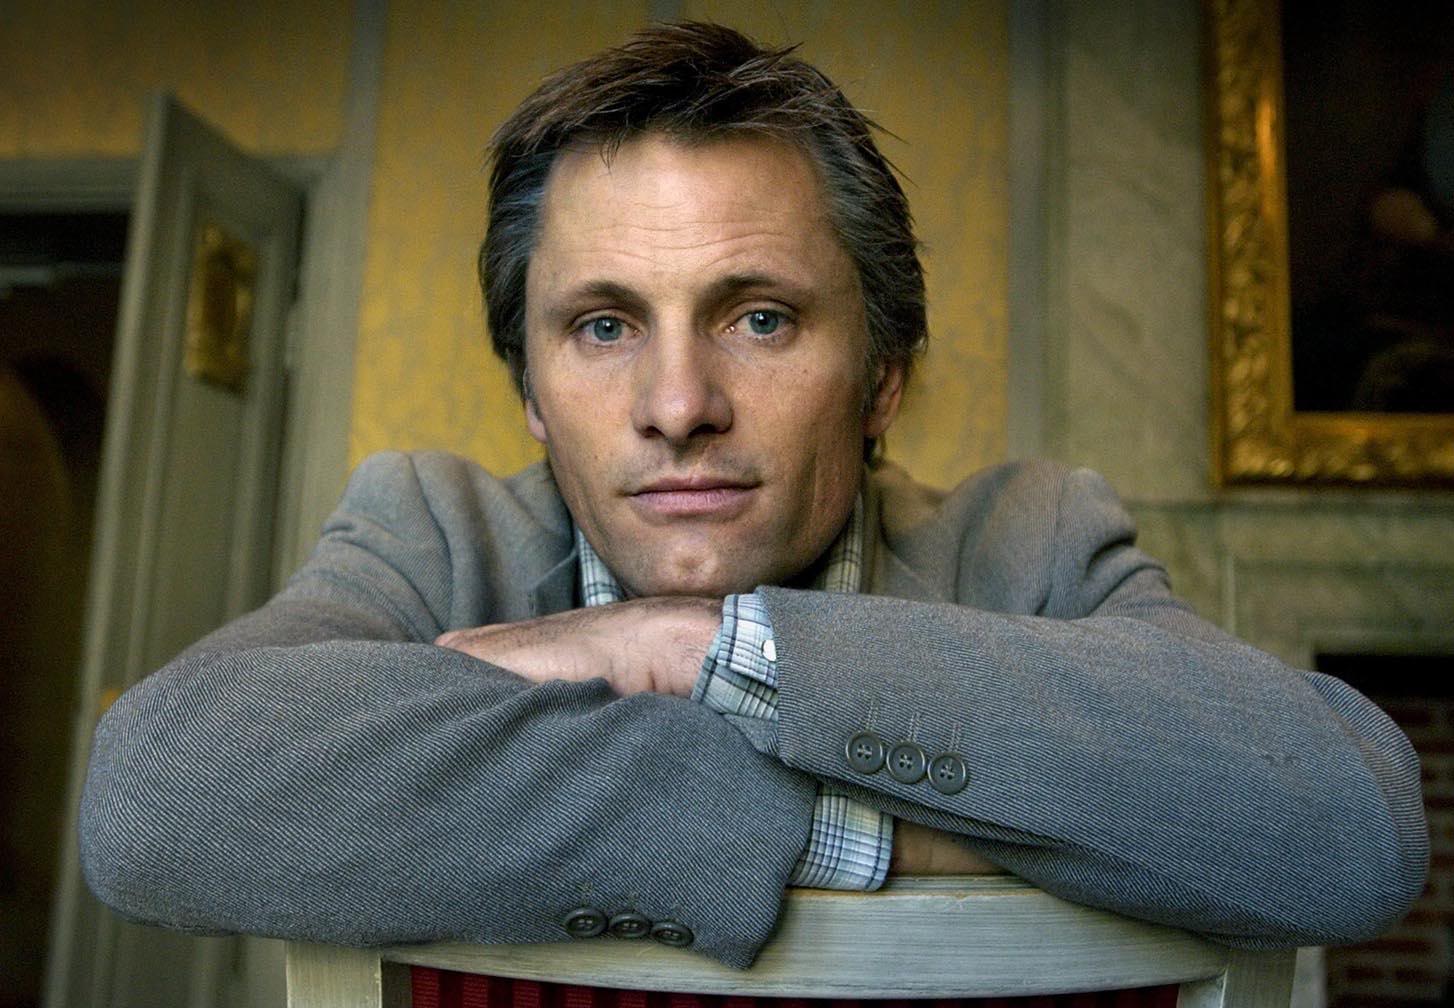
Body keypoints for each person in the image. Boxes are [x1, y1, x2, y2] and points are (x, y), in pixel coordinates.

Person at [79, 22, 1427, 969]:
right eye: (603, 326)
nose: (678, 404)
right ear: (532, 392)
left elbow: (1346, 825)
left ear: (883, 377)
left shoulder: (1032, 538)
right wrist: (862, 824)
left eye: (760, 318)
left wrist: (701, 651)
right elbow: (156, 799)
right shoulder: (433, 530)